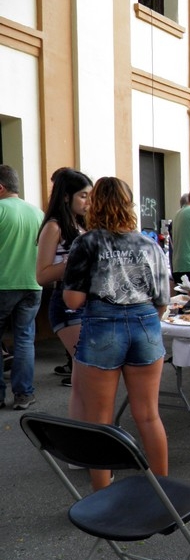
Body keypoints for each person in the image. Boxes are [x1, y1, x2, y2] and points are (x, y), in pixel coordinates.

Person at [62, 176, 170, 489]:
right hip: (145, 323)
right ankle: (165, 493)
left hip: (101, 327)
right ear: (128, 204)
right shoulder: (149, 243)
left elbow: (73, 301)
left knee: (99, 420)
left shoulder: (87, 243)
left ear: (95, 204)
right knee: (148, 415)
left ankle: (103, 497)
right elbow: (163, 300)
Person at [35, 168, 93, 394]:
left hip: (87, 300)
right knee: (87, 366)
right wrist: (74, 261)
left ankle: (86, 412)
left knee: (88, 369)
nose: (88, 202)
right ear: (66, 196)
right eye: (83, 196)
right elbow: (42, 275)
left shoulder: (80, 225)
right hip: (67, 302)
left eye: (90, 196)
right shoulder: (54, 227)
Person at [0, 165, 44, 410]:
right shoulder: (38, 213)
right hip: (32, 285)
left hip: (3, 284)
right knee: (25, 339)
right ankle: (24, 394)